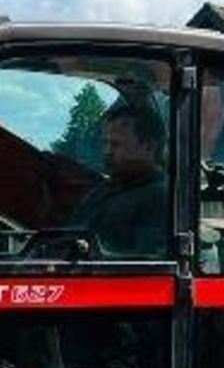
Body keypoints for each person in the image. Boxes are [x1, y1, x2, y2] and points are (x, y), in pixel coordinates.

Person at [70, 97, 170, 257]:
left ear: (149, 146)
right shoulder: (101, 191)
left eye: (116, 144)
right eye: (106, 143)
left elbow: (149, 263)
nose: (107, 151)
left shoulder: (160, 199)